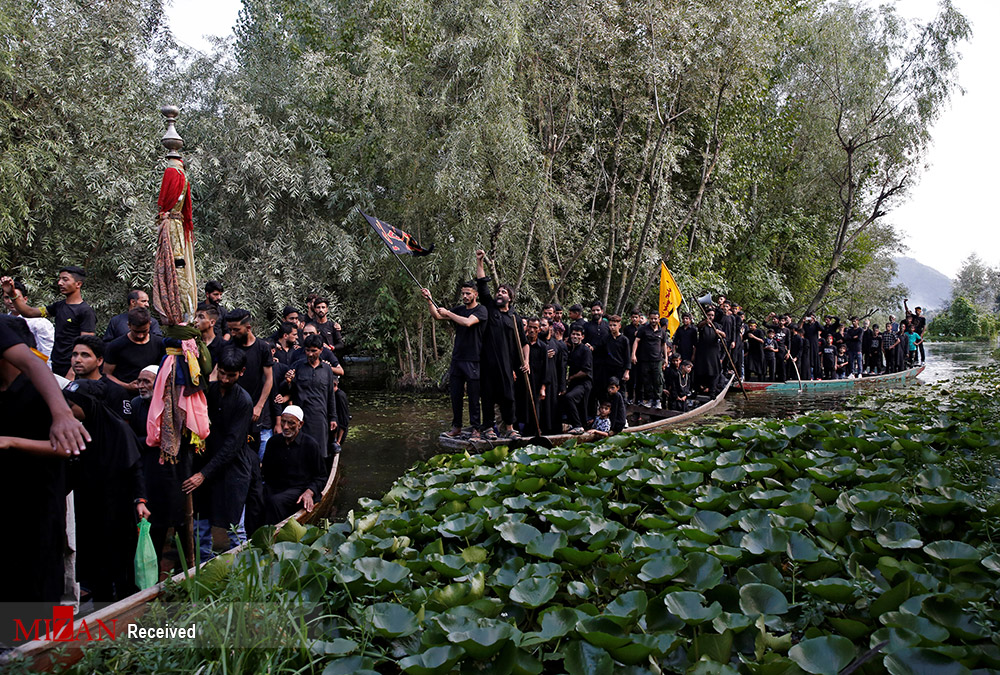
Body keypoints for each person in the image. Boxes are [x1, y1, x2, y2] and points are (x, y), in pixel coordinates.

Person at [0, 316, 76, 608]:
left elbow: (69, 447)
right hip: (7, 505)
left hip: (39, 504)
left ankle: (52, 651)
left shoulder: (41, 393)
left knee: (42, 583)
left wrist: (11, 442)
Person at [184, 349, 254, 561]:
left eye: (230, 375)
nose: (224, 379)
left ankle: (243, 572)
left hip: (233, 467)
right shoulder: (208, 392)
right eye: (221, 373)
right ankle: (203, 567)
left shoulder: (244, 401)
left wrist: (203, 474)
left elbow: (233, 445)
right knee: (200, 523)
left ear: (241, 372)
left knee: (235, 528)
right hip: (206, 461)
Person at [2, 267, 96, 378]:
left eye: (65, 279)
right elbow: (29, 312)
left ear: (78, 284)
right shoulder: (58, 306)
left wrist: (72, 372)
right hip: (56, 364)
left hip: (73, 369)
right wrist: (12, 294)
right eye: (59, 279)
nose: (60, 283)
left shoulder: (85, 311)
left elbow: (86, 345)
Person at [422, 282, 488, 438]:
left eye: (468, 294)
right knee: (456, 395)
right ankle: (456, 426)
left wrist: (448, 313)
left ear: (475, 295)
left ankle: (476, 429)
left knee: (473, 397)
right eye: (463, 293)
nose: (465, 296)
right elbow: (437, 316)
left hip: (474, 360)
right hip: (458, 359)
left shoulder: (481, 310)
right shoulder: (459, 310)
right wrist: (429, 300)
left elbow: (467, 322)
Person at [475, 249, 526, 440]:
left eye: (503, 292)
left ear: (510, 298)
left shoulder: (515, 317)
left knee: (508, 396)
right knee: (487, 395)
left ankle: (510, 428)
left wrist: (525, 361)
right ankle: (488, 428)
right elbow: (482, 286)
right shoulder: (489, 308)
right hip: (488, 362)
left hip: (507, 364)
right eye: (498, 291)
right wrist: (480, 262)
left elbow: (524, 342)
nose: (499, 293)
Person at [260, 406, 327, 524]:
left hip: (299, 489)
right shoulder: (273, 442)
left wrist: (309, 491)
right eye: (283, 422)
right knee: (255, 498)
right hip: (275, 487)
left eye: (291, 423)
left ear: (300, 424)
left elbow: (321, 476)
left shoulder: (310, 445)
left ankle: (275, 535)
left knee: (276, 501)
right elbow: (265, 471)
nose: (285, 427)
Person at [226, 308, 274, 449]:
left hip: (253, 408)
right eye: (230, 330)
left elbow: (269, 379)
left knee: (252, 448)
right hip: (232, 406)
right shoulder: (229, 347)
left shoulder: (262, 348)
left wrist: (259, 406)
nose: (232, 334)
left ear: (248, 328)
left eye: (236, 329)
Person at [283, 334, 338, 456]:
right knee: (300, 450)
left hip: (320, 416)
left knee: (320, 451)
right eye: (307, 350)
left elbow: (330, 395)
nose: (310, 354)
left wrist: (333, 417)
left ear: (321, 350)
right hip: (301, 417)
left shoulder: (327, 369)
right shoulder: (297, 366)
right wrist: (288, 381)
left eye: (314, 351)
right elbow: (287, 390)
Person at [104, 307, 166, 397]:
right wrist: (126, 386)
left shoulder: (159, 343)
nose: (140, 336)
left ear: (150, 324)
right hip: (124, 395)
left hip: (153, 396)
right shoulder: (116, 346)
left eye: (144, 331)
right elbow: (106, 374)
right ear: (129, 325)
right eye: (136, 332)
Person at [67, 335, 131, 418]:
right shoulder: (69, 388)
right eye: (75, 354)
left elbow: (123, 427)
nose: (77, 360)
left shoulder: (115, 392)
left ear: (99, 360)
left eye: (85, 355)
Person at [3, 279, 54, 360]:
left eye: (15, 297)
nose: (10, 301)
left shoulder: (38, 322)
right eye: (7, 297)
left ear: (25, 299)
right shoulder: (4, 322)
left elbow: (48, 351)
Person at [522, 317, 554, 435]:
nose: (531, 330)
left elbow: (546, 369)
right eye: (530, 327)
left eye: (535, 328)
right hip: (522, 382)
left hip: (536, 383)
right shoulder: (521, 344)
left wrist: (543, 388)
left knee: (535, 408)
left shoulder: (542, 347)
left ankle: (535, 432)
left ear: (539, 330)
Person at [632, 309, 667, 408]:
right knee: (646, 380)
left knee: (658, 380)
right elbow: (636, 341)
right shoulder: (643, 329)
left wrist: (666, 358)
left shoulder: (662, 332)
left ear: (659, 319)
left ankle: (658, 400)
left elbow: (664, 345)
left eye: (655, 319)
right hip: (645, 359)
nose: (653, 321)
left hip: (657, 360)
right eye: (651, 319)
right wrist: (633, 354)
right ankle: (650, 399)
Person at [562, 327, 592, 434]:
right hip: (575, 383)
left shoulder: (585, 350)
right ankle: (575, 424)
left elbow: (585, 371)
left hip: (584, 383)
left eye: (578, 335)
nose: (575, 336)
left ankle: (578, 426)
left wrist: (570, 378)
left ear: (582, 337)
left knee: (570, 398)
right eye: (574, 334)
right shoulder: (571, 349)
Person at [693, 308, 725, 395]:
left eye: (712, 315)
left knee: (714, 371)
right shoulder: (703, 325)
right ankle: (700, 389)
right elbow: (698, 326)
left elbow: (724, 335)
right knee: (702, 370)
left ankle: (712, 391)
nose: (710, 317)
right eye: (709, 315)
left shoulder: (717, 325)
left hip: (713, 352)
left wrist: (719, 332)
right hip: (703, 352)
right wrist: (705, 322)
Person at [195, 304, 225, 370]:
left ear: (212, 322)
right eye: (195, 316)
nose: (196, 320)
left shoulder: (222, 346)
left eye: (201, 317)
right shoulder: (193, 344)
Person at [605, 314, 630, 392]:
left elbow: (627, 356)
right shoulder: (607, 338)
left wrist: (627, 372)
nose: (612, 327)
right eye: (610, 325)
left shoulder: (624, 340)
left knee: (621, 389)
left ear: (619, 326)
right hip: (608, 368)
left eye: (614, 325)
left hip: (620, 368)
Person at [904, 300, 927, 364]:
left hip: (919, 334)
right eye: (916, 311)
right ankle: (916, 360)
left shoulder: (923, 318)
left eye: (918, 311)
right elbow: (907, 310)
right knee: (915, 347)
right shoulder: (914, 316)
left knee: (921, 347)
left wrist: (922, 334)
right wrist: (905, 303)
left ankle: (923, 360)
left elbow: (924, 327)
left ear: (920, 311)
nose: (917, 312)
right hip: (914, 334)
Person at [332, 375, 349, 451]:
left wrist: (338, 441)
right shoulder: (333, 396)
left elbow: (343, 420)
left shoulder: (339, 396)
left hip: (339, 431)